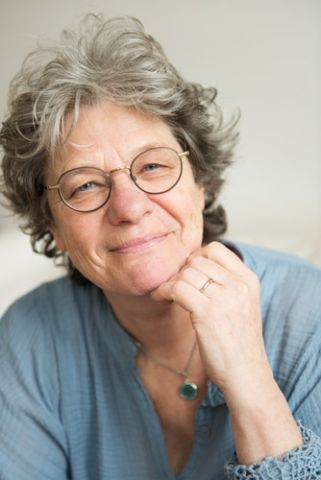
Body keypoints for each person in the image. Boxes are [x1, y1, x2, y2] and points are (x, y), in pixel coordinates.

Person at [0, 14, 320, 480]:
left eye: (151, 166)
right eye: (86, 185)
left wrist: (250, 381)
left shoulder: (311, 314)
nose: (129, 208)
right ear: (53, 227)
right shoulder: (30, 339)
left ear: (201, 182)